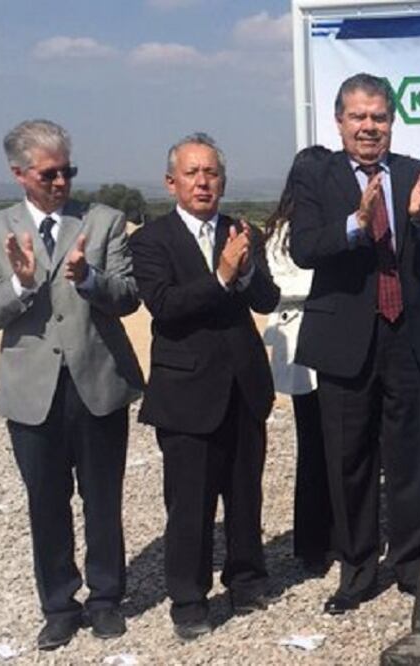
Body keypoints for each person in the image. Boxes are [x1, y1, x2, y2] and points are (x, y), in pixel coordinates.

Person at [290, 72, 420, 614]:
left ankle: (411, 564)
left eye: (379, 117)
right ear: (339, 121)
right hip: (345, 339)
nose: (369, 127)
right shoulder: (315, 174)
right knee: (349, 460)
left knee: (411, 456)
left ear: (392, 121)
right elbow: (303, 248)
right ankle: (358, 570)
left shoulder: (418, 174)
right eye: (358, 116)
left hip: (407, 338)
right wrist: (354, 224)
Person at [0, 119, 144, 649]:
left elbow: (129, 297)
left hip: (96, 381)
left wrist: (90, 280)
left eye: (67, 171)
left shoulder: (103, 221)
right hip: (31, 390)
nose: (61, 182)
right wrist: (21, 285)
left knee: (102, 499)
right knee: (46, 502)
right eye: (49, 174)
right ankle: (58, 604)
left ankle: (106, 599)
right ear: (19, 174)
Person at [129, 132, 280, 640]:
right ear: (171, 182)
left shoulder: (241, 231)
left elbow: (266, 300)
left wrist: (247, 270)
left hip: (243, 385)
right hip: (187, 393)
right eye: (192, 173)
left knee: (245, 494)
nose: (202, 182)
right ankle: (189, 600)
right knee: (190, 505)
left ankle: (247, 580)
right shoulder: (151, 240)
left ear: (223, 181)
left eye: (211, 173)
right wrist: (221, 276)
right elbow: (165, 306)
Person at [261, 145, 334, 573]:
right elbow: (281, 284)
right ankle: (312, 542)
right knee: (314, 447)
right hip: (303, 346)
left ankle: (334, 533)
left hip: (331, 342)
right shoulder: (282, 231)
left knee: (338, 445)